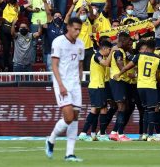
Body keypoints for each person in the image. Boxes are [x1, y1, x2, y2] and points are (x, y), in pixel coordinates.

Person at [45, 17, 85, 162]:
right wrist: (61, 85)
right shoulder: (59, 42)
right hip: (62, 83)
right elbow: (54, 65)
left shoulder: (80, 44)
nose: (78, 32)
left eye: (80, 29)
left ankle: (69, 153)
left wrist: (79, 81)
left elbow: (80, 65)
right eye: (75, 29)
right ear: (68, 27)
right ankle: (51, 139)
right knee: (68, 117)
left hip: (75, 85)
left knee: (74, 118)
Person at [114, 39, 160, 141]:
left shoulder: (139, 56)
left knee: (144, 109)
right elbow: (157, 76)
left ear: (147, 47)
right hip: (151, 86)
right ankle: (150, 135)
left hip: (140, 86)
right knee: (152, 110)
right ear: (154, 48)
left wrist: (118, 74)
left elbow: (127, 67)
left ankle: (144, 134)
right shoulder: (158, 59)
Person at [79, 40, 114, 141]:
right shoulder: (96, 56)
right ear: (104, 48)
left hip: (99, 86)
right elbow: (107, 63)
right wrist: (112, 52)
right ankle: (96, 134)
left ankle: (89, 133)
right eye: (109, 49)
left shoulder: (101, 56)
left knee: (100, 109)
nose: (110, 51)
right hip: (97, 86)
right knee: (99, 109)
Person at [108, 32, 132, 141]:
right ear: (122, 42)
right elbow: (120, 64)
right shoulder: (118, 52)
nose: (129, 44)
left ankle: (114, 132)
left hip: (121, 81)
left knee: (125, 107)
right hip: (117, 80)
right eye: (128, 42)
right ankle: (120, 134)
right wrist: (125, 72)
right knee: (121, 107)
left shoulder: (122, 51)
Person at [0, 0, 31, 71]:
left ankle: (14, 65)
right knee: (6, 48)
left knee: (15, 49)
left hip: (14, 28)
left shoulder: (19, 7)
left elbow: (29, 3)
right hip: (4, 28)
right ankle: (6, 66)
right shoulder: (4, 5)